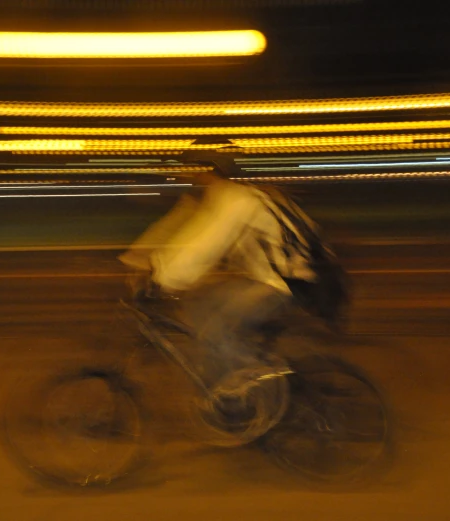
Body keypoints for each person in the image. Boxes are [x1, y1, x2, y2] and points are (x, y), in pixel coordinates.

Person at [119, 150, 313, 389]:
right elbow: (180, 227)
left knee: (217, 330)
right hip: (269, 278)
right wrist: (141, 260)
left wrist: (162, 279)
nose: (185, 174)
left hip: (287, 283)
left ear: (209, 169)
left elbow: (207, 245)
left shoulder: (238, 200)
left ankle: (263, 384)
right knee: (201, 303)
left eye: (192, 168)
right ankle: (225, 377)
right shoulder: (219, 195)